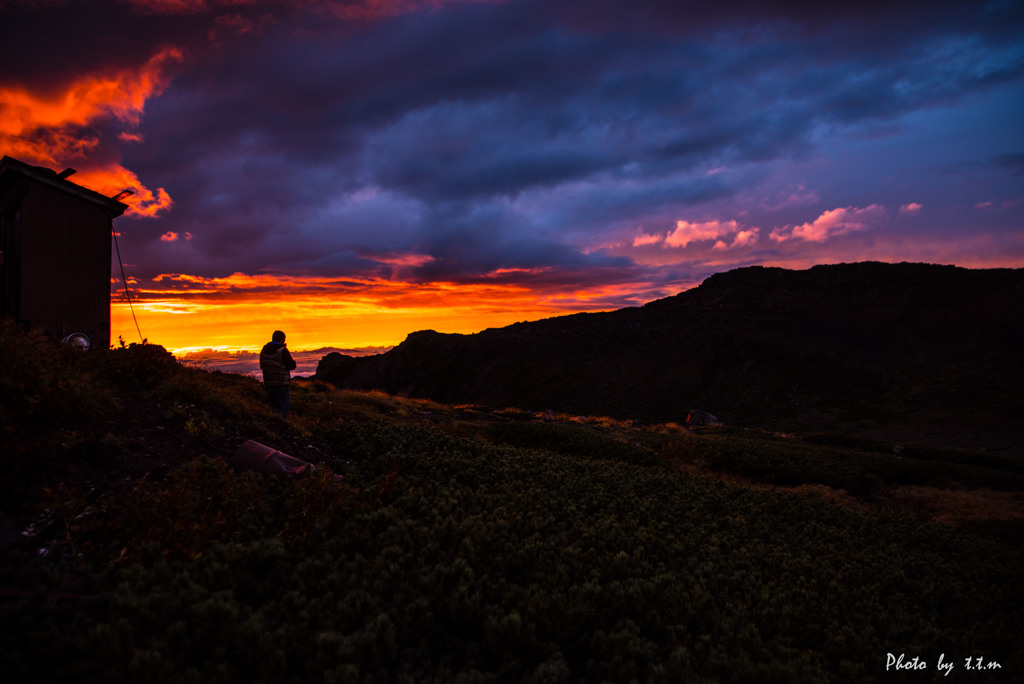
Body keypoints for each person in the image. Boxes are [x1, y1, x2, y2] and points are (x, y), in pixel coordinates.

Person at [260, 330, 297, 418]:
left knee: (272, 408)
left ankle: (272, 428)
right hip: (281, 384)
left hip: (268, 384)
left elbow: (262, 365)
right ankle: (281, 429)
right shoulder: (282, 350)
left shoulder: (264, 350)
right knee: (282, 411)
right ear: (282, 339)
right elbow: (291, 366)